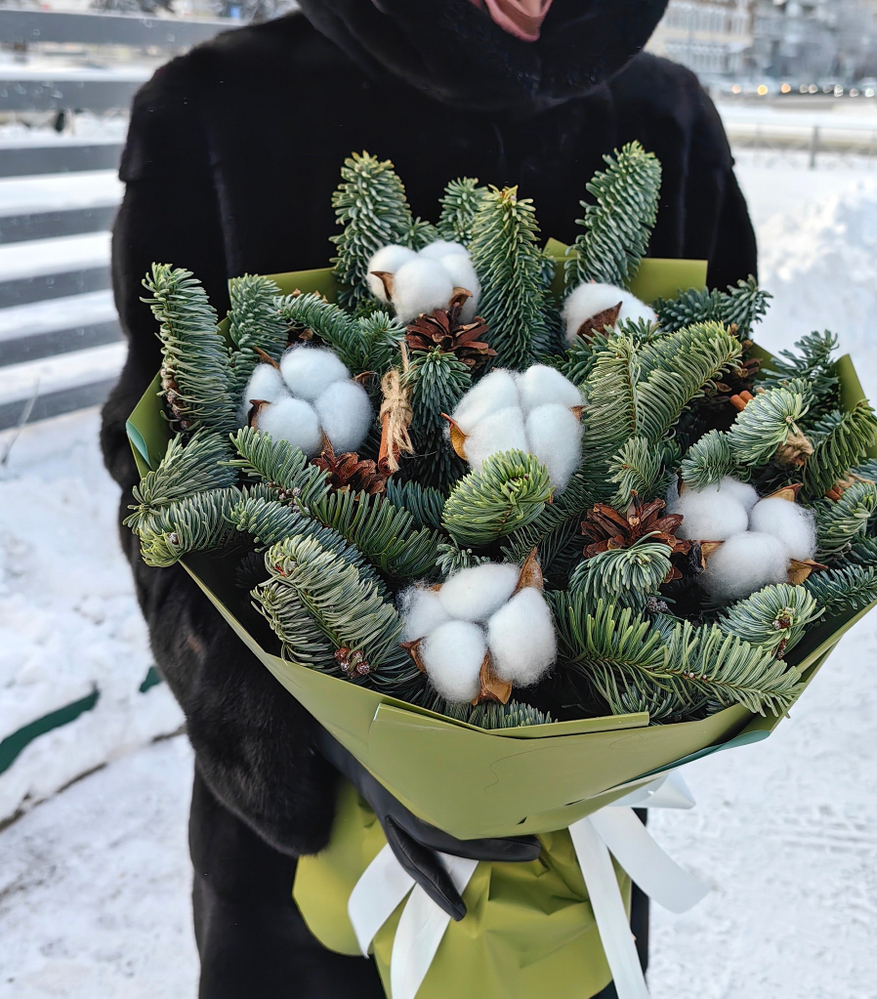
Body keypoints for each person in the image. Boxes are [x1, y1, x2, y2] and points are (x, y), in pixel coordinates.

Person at [100, 2, 757, 995]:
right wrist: (309, 743)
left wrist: (627, 702)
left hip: (570, 841)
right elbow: (162, 483)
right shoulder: (220, 107)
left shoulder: (662, 118)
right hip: (301, 871)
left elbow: (725, 438)